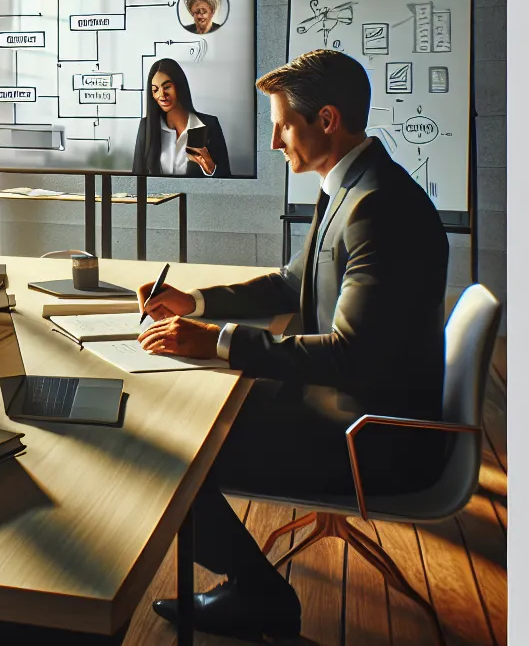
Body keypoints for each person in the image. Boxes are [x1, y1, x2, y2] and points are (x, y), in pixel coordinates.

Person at [135, 49, 449, 642]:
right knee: (179, 419)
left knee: (169, 446)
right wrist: (193, 302)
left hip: (370, 440)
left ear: (326, 120)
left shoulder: (378, 209)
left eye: (282, 125)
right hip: (342, 407)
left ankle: (261, 597)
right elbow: (289, 283)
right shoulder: (353, 185)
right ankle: (257, 591)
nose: (276, 141)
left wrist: (217, 341)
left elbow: (351, 356)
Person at [130, 57, 230, 177]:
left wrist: (211, 168)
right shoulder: (146, 127)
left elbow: (226, 178)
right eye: (155, 90)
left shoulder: (209, 125)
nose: (161, 95)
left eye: (167, 87)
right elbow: (136, 179)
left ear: (179, 86)